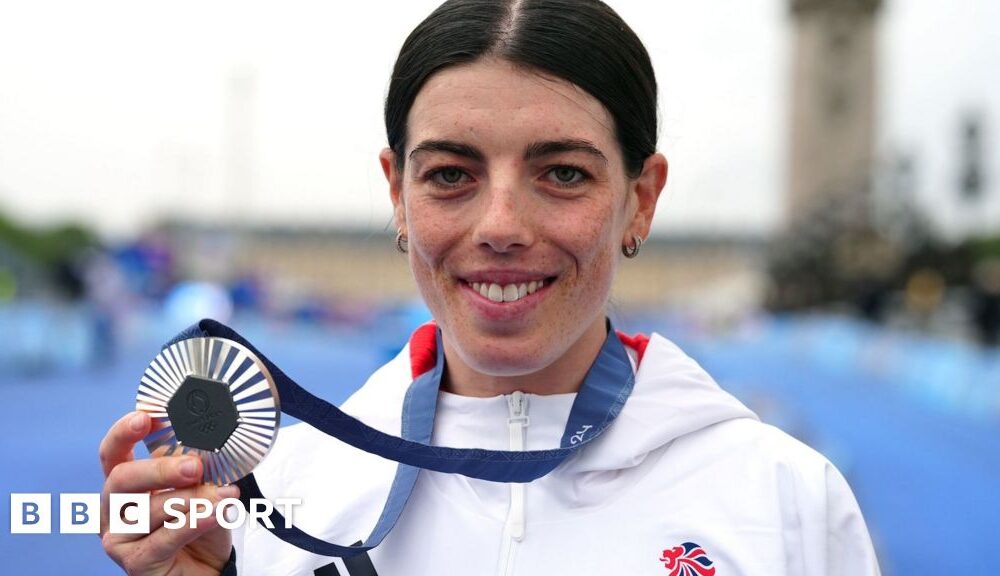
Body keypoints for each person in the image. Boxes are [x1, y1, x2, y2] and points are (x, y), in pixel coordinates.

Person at [98, 0, 881, 574]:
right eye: (449, 174)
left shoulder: (784, 499)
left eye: (563, 172)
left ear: (641, 199)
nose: (500, 224)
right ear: (397, 194)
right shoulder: (276, 497)